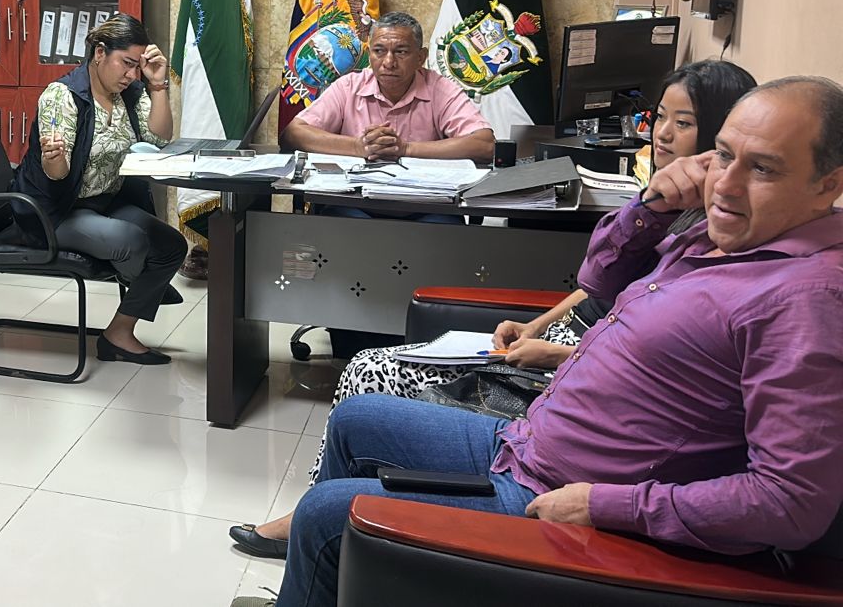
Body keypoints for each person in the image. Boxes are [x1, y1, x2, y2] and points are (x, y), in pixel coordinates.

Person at [232, 75, 843, 607]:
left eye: (762, 168)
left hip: (563, 496)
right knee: (356, 418)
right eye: (724, 156)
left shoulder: (804, 301)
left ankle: (320, 564)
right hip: (529, 441)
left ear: (828, 185)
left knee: (326, 515)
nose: (726, 186)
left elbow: (790, 502)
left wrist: (605, 506)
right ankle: (329, 583)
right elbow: (598, 278)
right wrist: (653, 204)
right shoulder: (725, 235)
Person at [14, 15, 186, 364]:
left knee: (172, 245)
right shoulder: (62, 96)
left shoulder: (129, 93)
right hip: (54, 211)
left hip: (103, 202)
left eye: (137, 66)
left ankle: (118, 333)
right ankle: (146, 284)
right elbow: (56, 174)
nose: (132, 74)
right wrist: (53, 157)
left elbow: (160, 137)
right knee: (131, 241)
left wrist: (158, 86)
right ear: (99, 53)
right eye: (126, 63)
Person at [279, 11, 495, 165]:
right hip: (355, 201)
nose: (389, 62)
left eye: (401, 52)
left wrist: (406, 149)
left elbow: (485, 144)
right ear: (369, 54)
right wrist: (359, 147)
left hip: (421, 204)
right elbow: (294, 133)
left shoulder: (439, 88)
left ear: (420, 58)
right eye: (379, 51)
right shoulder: (349, 86)